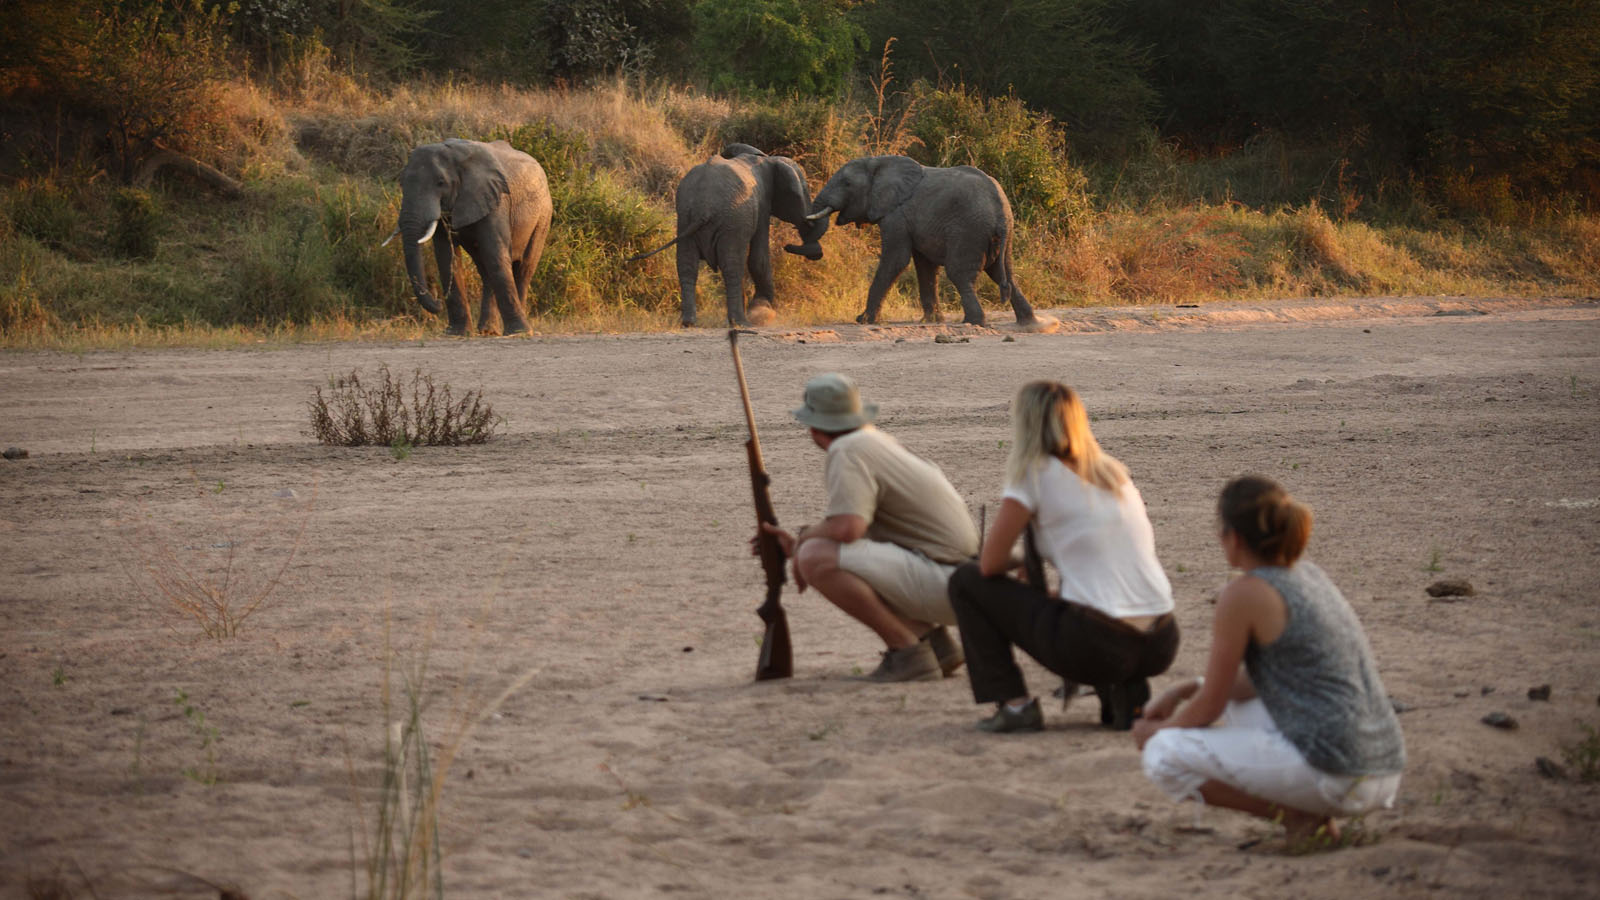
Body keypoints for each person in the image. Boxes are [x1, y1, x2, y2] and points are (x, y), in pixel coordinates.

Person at [1133, 476, 1405, 845]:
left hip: (1340, 773)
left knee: (1162, 755)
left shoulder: (1244, 593)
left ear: (1234, 538)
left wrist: (1158, 733)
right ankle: (1309, 813)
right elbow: (1251, 684)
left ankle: (1299, 819)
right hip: (1382, 766)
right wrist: (1184, 689)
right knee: (1237, 709)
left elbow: (1210, 706)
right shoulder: (1308, 575)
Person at [947, 381, 1178, 733]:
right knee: (1081, 605)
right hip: (1161, 640)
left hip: (1100, 645)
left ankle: (1014, 705)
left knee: (966, 581)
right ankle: (1127, 690)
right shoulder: (1113, 473)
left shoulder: (1034, 475)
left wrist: (1018, 559)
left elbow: (989, 565)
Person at [757, 372, 979, 682]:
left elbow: (849, 529)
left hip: (949, 584)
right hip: (962, 583)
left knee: (815, 557)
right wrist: (799, 541)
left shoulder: (847, 450)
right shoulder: (876, 440)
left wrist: (804, 541)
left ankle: (907, 652)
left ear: (815, 427)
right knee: (817, 550)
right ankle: (933, 643)